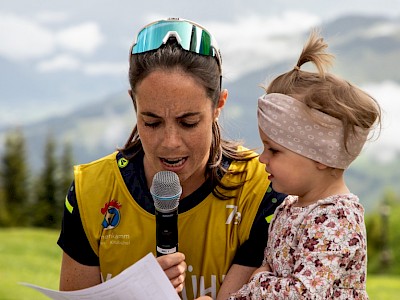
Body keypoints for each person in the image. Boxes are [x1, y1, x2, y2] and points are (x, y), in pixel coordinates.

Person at [57, 17, 285, 300]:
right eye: (151, 122)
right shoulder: (91, 191)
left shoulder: (262, 187)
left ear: (218, 106)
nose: (170, 143)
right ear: (134, 103)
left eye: (188, 122)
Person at [222, 29, 382, 299]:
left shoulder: (336, 218)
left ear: (321, 156)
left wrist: (259, 281)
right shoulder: (291, 206)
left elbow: (303, 294)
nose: (262, 158)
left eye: (274, 150)